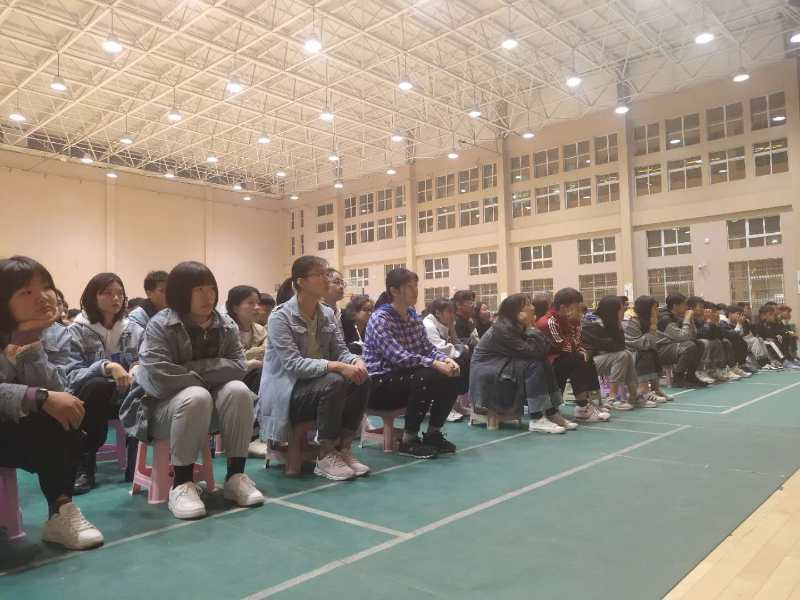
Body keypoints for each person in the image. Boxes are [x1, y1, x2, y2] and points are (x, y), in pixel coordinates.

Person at [120, 261, 264, 520]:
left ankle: (235, 477)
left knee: (238, 390)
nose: (207, 296)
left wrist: (190, 370)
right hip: (158, 410)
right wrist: (211, 373)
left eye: (211, 289)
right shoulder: (160, 324)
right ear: (180, 293)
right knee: (196, 396)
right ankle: (182, 484)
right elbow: (160, 377)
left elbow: (238, 367)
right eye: (198, 290)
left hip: (209, 411)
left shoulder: (226, 324)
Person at [0, 256, 104, 549]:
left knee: (64, 412)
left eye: (46, 287)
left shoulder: (55, 333)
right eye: (26, 292)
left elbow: (59, 389)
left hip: (15, 432)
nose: (44, 297)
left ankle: (60, 511)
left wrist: (29, 341)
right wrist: (37, 396)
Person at [258, 256, 371, 481]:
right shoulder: (280, 317)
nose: (327, 279)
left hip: (321, 387)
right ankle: (325, 454)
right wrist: (337, 366)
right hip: (289, 393)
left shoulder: (327, 314)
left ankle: (343, 449)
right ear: (301, 282)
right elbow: (294, 365)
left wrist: (356, 362)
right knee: (335, 380)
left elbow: (340, 351)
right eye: (320, 275)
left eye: (327, 274)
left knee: (362, 378)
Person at [363, 268, 461, 459]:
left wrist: (446, 360)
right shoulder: (380, 319)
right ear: (394, 290)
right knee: (427, 375)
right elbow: (399, 357)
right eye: (409, 287)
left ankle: (433, 433)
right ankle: (409, 440)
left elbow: (426, 347)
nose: (415, 291)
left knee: (452, 372)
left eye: (416, 285)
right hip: (379, 385)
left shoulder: (413, 315)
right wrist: (435, 364)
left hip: (404, 378)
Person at [66, 273, 143, 494]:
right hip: (92, 401)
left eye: (119, 293)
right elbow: (71, 375)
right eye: (108, 293)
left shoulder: (134, 328)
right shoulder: (76, 330)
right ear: (93, 297)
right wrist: (106, 367)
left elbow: (147, 358)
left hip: (128, 395)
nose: (116, 298)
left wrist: (137, 367)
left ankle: (137, 465)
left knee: (147, 386)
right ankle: (84, 466)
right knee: (97, 386)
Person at [471, 293, 574, 434]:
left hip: (504, 363)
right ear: (516, 311)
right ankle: (536, 418)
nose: (533, 307)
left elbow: (544, 349)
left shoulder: (517, 325)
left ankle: (551, 413)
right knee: (535, 364)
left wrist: (530, 326)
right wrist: (531, 326)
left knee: (543, 361)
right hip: (488, 367)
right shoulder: (502, 328)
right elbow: (532, 352)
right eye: (528, 305)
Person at [536, 288, 608, 422]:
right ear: (564, 307)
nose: (580, 309)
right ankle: (582, 407)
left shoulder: (568, 320)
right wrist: (573, 326)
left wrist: (576, 326)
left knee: (585, 358)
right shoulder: (549, 321)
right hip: (546, 361)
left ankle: (587, 403)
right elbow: (564, 347)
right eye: (576, 306)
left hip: (561, 359)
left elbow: (576, 344)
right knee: (576, 360)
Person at [582, 295, 658, 410]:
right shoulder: (592, 324)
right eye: (621, 310)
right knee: (622, 355)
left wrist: (618, 327)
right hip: (587, 362)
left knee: (626, 354)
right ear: (612, 312)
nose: (624, 313)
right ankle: (613, 398)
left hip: (604, 359)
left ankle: (633, 396)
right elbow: (611, 347)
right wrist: (618, 327)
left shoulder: (610, 322)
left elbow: (620, 346)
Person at [226, 285, 268, 458]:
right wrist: (251, 359)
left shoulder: (260, 330)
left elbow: (268, 352)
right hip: (231, 378)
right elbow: (231, 360)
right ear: (235, 307)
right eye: (250, 303)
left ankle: (267, 435)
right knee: (263, 375)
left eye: (258, 303)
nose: (257, 307)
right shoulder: (227, 328)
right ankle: (257, 436)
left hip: (255, 373)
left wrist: (251, 357)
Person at [422, 298, 470, 422]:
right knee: (458, 361)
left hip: (437, 357)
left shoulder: (442, 324)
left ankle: (455, 403)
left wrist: (452, 329)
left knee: (464, 358)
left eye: (453, 312)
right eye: (449, 312)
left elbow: (454, 342)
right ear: (438, 313)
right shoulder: (428, 325)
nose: (453, 316)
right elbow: (438, 349)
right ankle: (446, 408)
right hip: (425, 362)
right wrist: (460, 349)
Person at [623, 296, 671, 403]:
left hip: (639, 350)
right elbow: (640, 344)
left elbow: (653, 341)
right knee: (646, 353)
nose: (657, 311)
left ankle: (655, 389)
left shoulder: (646, 319)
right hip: (629, 353)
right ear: (645, 309)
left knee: (653, 352)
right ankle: (644, 391)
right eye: (654, 308)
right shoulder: (631, 320)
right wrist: (653, 327)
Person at [656, 292, 707, 388]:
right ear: (675, 306)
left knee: (700, 344)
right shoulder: (665, 318)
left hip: (671, 346)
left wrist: (690, 320)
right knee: (689, 346)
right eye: (684, 305)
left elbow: (693, 336)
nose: (687, 307)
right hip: (660, 350)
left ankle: (691, 376)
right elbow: (682, 337)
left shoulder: (677, 316)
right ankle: (678, 378)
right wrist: (687, 319)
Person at [687, 296, 727, 383]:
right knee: (705, 342)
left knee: (717, 341)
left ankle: (714, 370)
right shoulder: (689, 318)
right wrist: (707, 322)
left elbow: (718, 336)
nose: (703, 309)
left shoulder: (701, 318)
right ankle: (701, 371)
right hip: (692, 342)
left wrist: (714, 323)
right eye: (700, 307)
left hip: (701, 341)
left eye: (703, 307)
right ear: (691, 308)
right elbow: (699, 335)